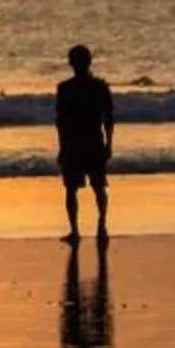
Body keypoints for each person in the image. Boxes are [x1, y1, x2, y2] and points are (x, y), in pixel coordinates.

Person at [56, 44, 115, 244]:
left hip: (78, 142)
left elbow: (61, 122)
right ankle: (100, 226)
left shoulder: (66, 89)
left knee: (77, 188)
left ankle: (79, 230)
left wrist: (62, 147)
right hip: (90, 141)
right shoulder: (98, 86)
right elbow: (109, 118)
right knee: (95, 186)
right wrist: (108, 144)